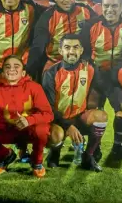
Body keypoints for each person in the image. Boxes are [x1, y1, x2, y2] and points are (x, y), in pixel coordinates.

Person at [0, 55, 53, 178]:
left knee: (42, 129)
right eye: (7, 67)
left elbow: (48, 114)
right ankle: (4, 156)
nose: (12, 69)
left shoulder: (34, 87)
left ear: (23, 72)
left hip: (28, 129)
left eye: (16, 66)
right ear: (3, 73)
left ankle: (37, 161)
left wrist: (29, 120)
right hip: (6, 130)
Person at [42, 34, 108, 172]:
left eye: (75, 47)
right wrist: (67, 126)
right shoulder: (51, 73)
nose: (71, 51)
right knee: (56, 136)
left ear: (81, 50)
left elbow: (104, 89)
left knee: (101, 116)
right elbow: (47, 108)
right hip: (58, 120)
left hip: (80, 117)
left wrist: (106, 104)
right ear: (60, 51)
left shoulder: (90, 69)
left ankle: (88, 156)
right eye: (67, 47)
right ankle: (54, 152)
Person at [26, 0, 96, 76]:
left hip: (81, 63)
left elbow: (101, 24)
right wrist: (28, 72)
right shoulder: (47, 17)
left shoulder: (85, 10)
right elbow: (38, 47)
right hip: (55, 64)